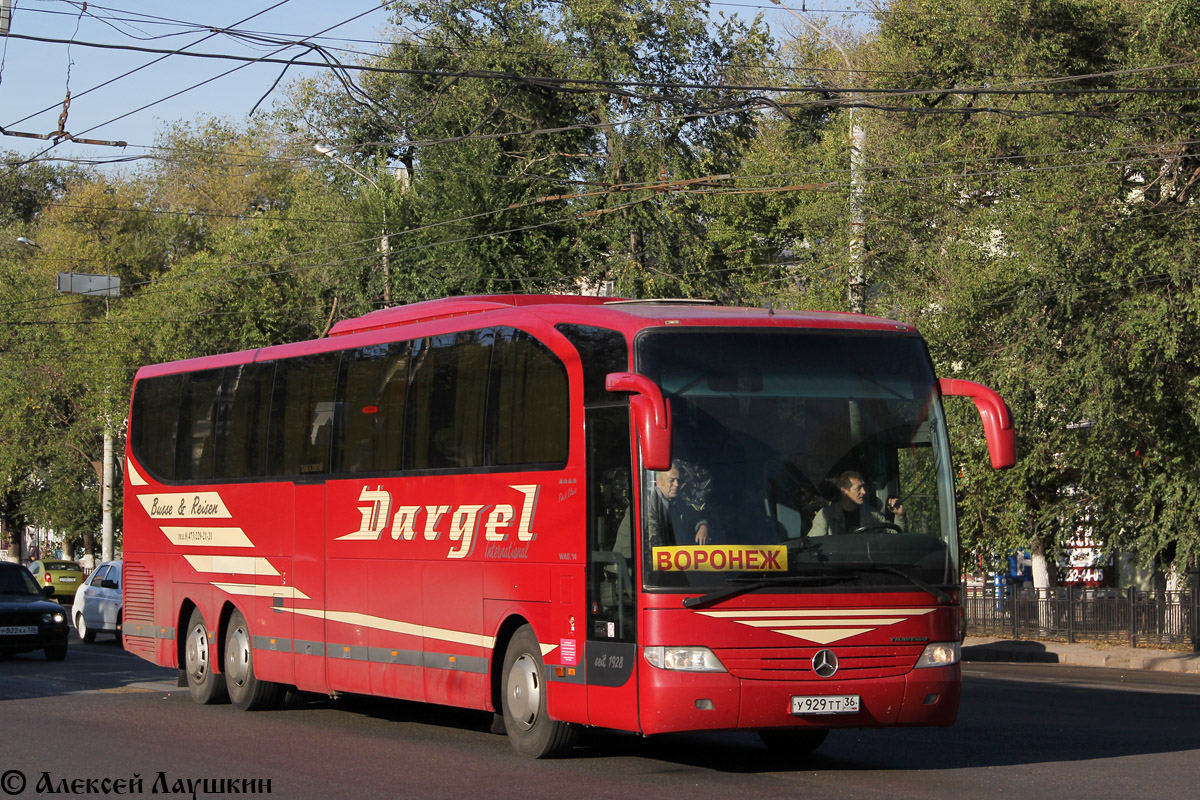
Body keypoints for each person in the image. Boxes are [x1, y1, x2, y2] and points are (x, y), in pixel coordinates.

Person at [809, 470, 905, 537]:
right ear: (844, 491)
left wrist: (899, 516)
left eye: (863, 487)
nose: (864, 492)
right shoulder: (827, 516)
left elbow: (895, 538)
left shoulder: (871, 514)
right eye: (858, 488)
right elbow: (814, 546)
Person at [646, 460, 711, 548]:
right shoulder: (647, 502)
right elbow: (653, 538)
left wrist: (702, 526)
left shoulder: (676, 500)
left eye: (678, 480)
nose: (676, 484)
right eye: (671, 480)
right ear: (658, 483)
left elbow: (692, 516)